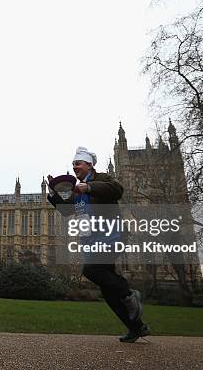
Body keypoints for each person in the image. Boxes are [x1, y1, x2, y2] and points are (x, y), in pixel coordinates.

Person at [47, 147, 150, 343]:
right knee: (108, 291)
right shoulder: (77, 190)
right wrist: (53, 193)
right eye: (73, 164)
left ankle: (129, 293)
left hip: (112, 235)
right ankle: (137, 327)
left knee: (91, 270)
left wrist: (90, 188)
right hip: (92, 241)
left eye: (78, 163)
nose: (75, 166)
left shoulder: (103, 178)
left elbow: (117, 190)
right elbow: (67, 211)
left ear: (89, 165)